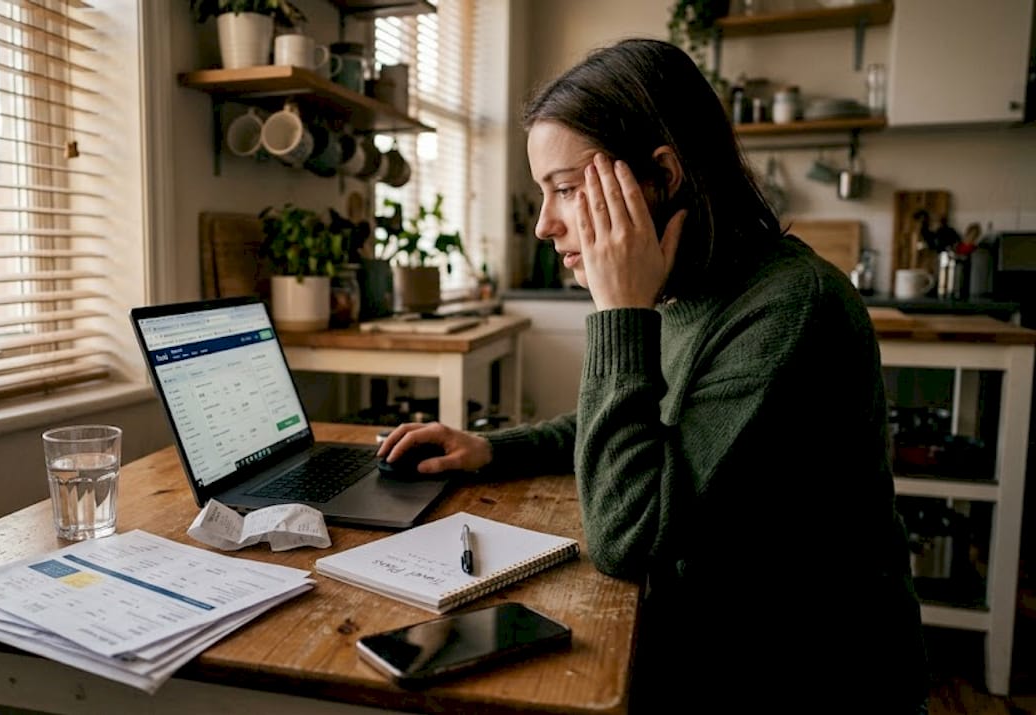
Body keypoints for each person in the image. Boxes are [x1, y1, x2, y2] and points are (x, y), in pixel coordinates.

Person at [377, 38, 927, 713]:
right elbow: (648, 421)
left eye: (566, 190)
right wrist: (494, 447)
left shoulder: (789, 310)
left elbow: (626, 535)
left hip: (807, 679)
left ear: (661, 177)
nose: (548, 224)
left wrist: (619, 310)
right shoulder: (696, 287)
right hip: (718, 645)